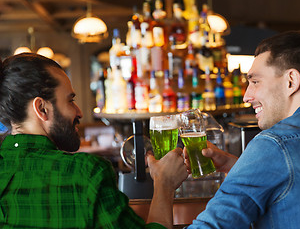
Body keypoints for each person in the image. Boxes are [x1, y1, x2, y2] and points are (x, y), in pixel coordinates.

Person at [185, 31, 300, 228]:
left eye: (254, 82)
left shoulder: (274, 144)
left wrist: (163, 188)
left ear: (291, 81)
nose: (246, 96)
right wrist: (238, 166)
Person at [0, 53, 188, 228]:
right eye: (70, 100)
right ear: (41, 108)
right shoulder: (86, 172)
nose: (79, 112)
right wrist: (165, 183)